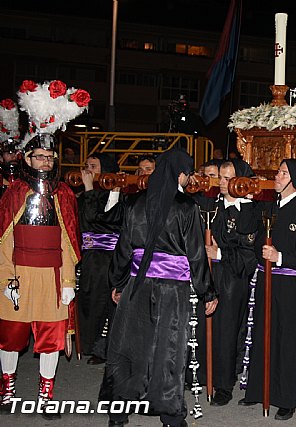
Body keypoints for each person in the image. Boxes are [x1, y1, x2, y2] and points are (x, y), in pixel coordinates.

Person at [102, 148, 216, 427]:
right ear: (180, 173)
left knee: (130, 347)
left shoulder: (135, 203)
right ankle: (170, 415)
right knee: (168, 350)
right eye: (188, 173)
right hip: (171, 289)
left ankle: (118, 412)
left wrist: (118, 283)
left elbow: (123, 248)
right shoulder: (186, 207)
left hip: (136, 285)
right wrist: (207, 292)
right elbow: (196, 254)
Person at [0, 134, 81, 417]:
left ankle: (46, 395)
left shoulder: (64, 194)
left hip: (52, 275)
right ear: (27, 158)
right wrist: (5, 279)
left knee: (51, 337)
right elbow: (4, 241)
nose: (45, 162)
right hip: (18, 274)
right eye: (39, 156)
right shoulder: (14, 192)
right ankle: (7, 389)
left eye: (50, 157)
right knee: (10, 336)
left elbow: (68, 243)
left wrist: (69, 282)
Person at [239, 159, 296, 421]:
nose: (276, 175)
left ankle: (286, 398)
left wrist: (280, 257)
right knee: (264, 334)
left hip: (291, 284)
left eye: (282, 173)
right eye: (277, 171)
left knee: (288, 341)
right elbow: (251, 235)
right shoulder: (270, 205)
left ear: (294, 179)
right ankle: (259, 389)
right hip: (267, 280)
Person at [204, 159, 258, 406]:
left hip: (231, 280)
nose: (223, 184)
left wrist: (220, 254)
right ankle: (201, 374)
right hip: (205, 274)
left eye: (228, 179)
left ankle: (224, 384)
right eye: (220, 178)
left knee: (226, 333)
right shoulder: (209, 206)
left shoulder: (250, 212)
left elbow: (249, 257)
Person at [76, 153, 122, 364]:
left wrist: (89, 190)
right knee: (90, 301)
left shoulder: (115, 194)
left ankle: (104, 348)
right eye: (86, 166)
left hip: (110, 259)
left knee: (107, 303)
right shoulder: (86, 195)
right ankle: (90, 343)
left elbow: (99, 220)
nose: (88, 171)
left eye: (93, 166)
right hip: (91, 258)